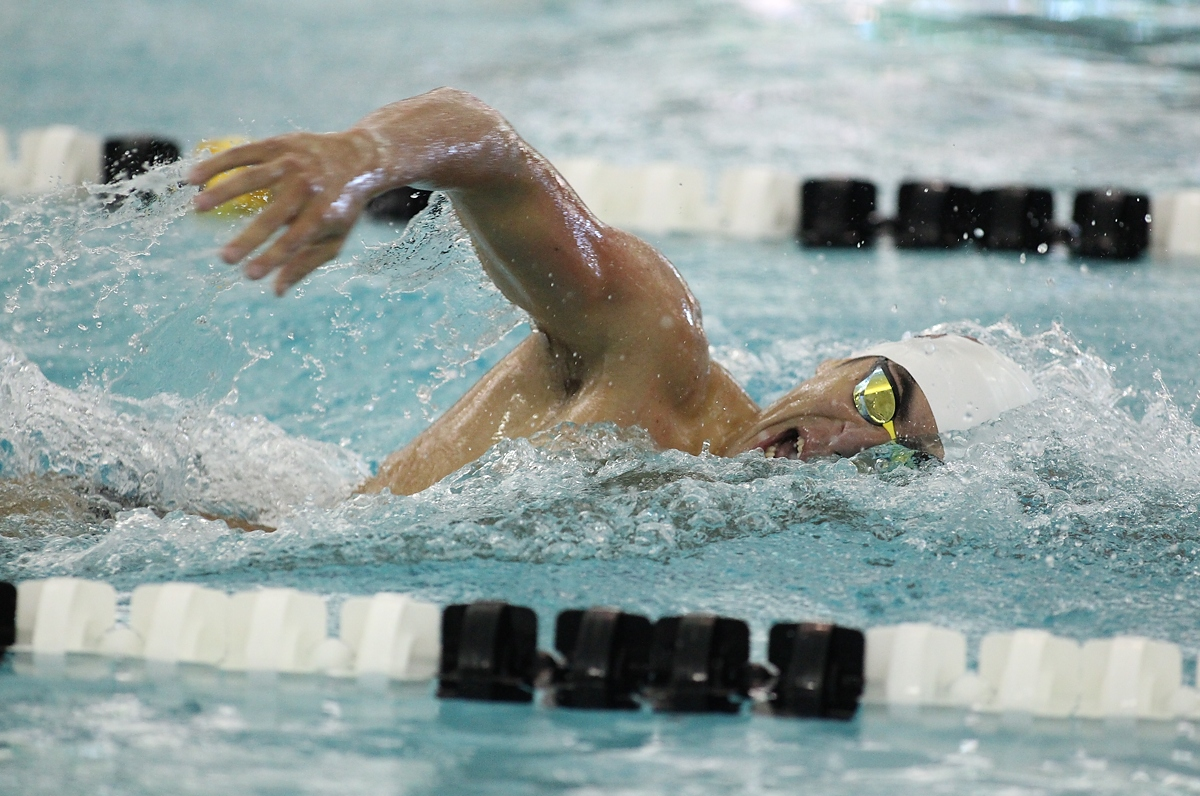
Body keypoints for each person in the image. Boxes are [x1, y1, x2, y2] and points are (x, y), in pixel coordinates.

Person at [188, 88, 1037, 497]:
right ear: (837, 362)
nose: (852, 439)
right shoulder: (656, 348)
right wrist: (359, 157)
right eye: (882, 393)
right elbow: (484, 142)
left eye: (894, 452)